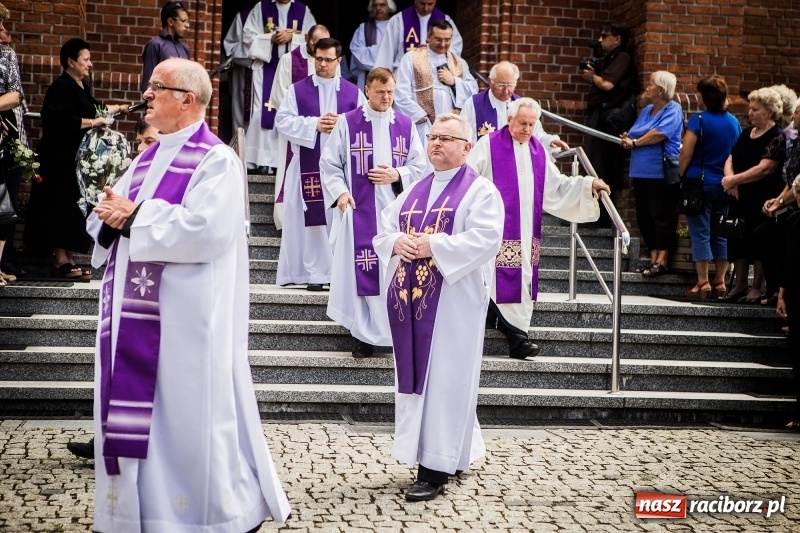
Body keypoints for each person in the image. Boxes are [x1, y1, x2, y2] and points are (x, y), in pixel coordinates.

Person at [85, 58, 291, 530]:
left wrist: (136, 216)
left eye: (156, 87)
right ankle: (139, 516)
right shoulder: (146, 158)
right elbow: (115, 213)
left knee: (185, 424)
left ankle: (209, 518)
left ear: (187, 100)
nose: (146, 94)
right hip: (134, 318)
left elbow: (207, 231)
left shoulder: (217, 160)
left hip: (184, 326)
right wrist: (109, 214)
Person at [373, 113, 504, 502]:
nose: (436, 143)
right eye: (432, 137)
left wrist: (435, 245)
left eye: (447, 138)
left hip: (453, 305)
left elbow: (487, 238)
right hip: (412, 300)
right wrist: (395, 243)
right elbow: (384, 229)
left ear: (466, 148)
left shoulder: (481, 191)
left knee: (447, 380)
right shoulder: (414, 189)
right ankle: (451, 455)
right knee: (427, 381)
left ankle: (434, 469)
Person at [467, 98, 609, 359]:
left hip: (525, 231)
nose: (527, 129)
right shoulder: (488, 145)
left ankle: (516, 334)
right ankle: (514, 336)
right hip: (492, 230)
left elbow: (557, 186)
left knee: (521, 279)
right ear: (509, 120)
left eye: (532, 124)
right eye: (523, 123)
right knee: (492, 279)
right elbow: (467, 179)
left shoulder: (538, 151)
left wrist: (587, 184)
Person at [65, 119, 158, 462]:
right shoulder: (136, 170)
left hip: (154, 281)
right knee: (117, 360)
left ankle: (138, 444)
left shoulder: (182, 170)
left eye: (148, 141)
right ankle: (108, 438)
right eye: (139, 141)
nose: (140, 149)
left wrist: (133, 219)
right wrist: (110, 218)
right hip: (123, 278)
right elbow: (98, 217)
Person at [320, 67, 427, 357]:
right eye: (380, 92)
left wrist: (397, 174)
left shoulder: (405, 125)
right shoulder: (348, 122)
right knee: (363, 270)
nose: (386, 97)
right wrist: (341, 193)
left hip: (395, 215)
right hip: (360, 211)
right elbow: (329, 164)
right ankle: (361, 335)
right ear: (367, 90)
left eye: (390, 92)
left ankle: (392, 332)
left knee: (390, 272)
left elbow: (420, 167)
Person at [24, 38, 129, 280]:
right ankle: (60, 258)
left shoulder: (80, 87)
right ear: (71, 62)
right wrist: (94, 122)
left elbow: (97, 109)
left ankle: (69, 257)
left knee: (73, 205)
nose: (90, 64)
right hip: (58, 159)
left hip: (74, 160)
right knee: (60, 204)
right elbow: (61, 120)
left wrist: (120, 107)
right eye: (86, 59)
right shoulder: (61, 87)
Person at [274, 38, 366, 290]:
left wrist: (342, 124)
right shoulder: (297, 90)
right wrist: (313, 124)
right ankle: (310, 273)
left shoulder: (353, 93)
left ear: (339, 60)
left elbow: (362, 127)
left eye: (328, 60)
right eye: (318, 59)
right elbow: (282, 122)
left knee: (335, 220)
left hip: (340, 171)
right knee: (309, 221)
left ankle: (335, 273)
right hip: (305, 167)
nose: (322, 64)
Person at [678, 75, 741, 298]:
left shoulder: (698, 120)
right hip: (725, 184)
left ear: (705, 97)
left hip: (699, 183)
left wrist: (681, 175)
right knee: (722, 232)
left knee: (700, 232)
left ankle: (703, 282)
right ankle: (720, 281)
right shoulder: (734, 122)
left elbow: (686, 153)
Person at [720, 88, 786, 303]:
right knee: (737, 239)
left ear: (769, 111)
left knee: (756, 241)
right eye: (750, 108)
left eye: (755, 109)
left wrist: (734, 180)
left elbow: (764, 168)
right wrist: (730, 180)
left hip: (762, 196)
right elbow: (731, 158)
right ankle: (739, 285)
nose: (750, 113)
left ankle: (757, 286)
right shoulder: (746, 133)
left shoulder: (776, 136)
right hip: (739, 195)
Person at [620, 70, 683, 277]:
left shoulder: (673, 109)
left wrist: (635, 142)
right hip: (640, 171)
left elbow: (659, 134)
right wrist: (628, 138)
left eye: (651, 84)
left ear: (662, 90)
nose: (647, 87)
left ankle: (662, 260)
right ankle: (652, 257)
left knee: (662, 216)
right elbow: (636, 132)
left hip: (661, 172)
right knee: (644, 216)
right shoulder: (647, 110)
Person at [270, 23, 332, 230]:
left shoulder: (331, 62)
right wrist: (308, 122)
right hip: (295, 131)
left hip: (324, 135)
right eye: (316, 44)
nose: (321, 51)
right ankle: (286, 216)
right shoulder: (288, 60)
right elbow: (279, 96)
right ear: (306, 39)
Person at [243, 0, 315, 175]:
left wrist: (293, 38)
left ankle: (278, 160)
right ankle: (259, 160)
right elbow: (247, 37)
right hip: (265, 68)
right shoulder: (261, 7)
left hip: (292, 68)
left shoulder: (303, 10)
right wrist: (270, 39)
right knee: (261, 112)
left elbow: (314, 39)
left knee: (287, 110)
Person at [582, 20, 637, 228]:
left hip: (608, 118)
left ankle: (600, 217)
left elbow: (607, 84)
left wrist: (592, 77)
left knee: (600, 165)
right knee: (594, 162)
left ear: (617, 39)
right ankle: (592, 215)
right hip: (601, 115)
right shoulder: (608, 58)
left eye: (605, 36)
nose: (600, 40)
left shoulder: (622, 57)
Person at [394, 19, 477, 148]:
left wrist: (454, 82)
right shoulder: (411, 58)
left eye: (447, 40)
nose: (443, 44)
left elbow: (473, 91)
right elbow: (400, 92)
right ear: (428, 37)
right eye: (438, 39)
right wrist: (418, 115)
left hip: (451, 128)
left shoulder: (459, 63)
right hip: (422, 124)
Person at [459, 61, 568, 154]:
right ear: (490, 81)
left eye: (510, 85)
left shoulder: (521, 105)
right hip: (482, 163)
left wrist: (550, 141)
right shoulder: (473, 104)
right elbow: (462, 134)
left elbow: (536, 134)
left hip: (512, 162)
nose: (506, 91)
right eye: (501, 85)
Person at [0, 2, 28, 283]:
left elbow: (15, 95)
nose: (3, 30)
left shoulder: (6, 55)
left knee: (4, 203)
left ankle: (3, 262)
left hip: (8, 140)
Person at [374, 0, 462, 72]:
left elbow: (455, 49)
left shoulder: (446, 20)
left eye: (430, 4)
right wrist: (381, 76)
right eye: (422, 3)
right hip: (405, 74)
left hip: (435, 75)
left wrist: (434, 53)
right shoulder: (398, 20)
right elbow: (386, 52)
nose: (426, 8)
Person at [776, 175, 800, 429]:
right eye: (799, 192)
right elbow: (784, 261)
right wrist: (781, 295)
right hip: (794, 293)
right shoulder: (792, 222)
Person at [140, 1, 190, 93]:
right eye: (183, 21)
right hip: (162, 100)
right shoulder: (155, 45)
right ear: (170, 21)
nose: (187, 25)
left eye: (187, 21)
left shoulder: (185, 48)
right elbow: (148, 84)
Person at [223, 5, 256, 138]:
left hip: (271, 77)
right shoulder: (243, 17)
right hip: (245, 75)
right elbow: (230, 48)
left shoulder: (281, 20)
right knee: (241, 121)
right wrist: (257, 53)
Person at [349, 0, 395, 92]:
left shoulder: (395, 27)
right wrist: (385, 52)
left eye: (382, 5)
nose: (378, 8)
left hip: (392, 77)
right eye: (375, 5)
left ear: (389, 7)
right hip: (366, 78)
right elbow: (357, 54)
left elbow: (398, 54)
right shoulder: (363, 28)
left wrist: (370, 51)